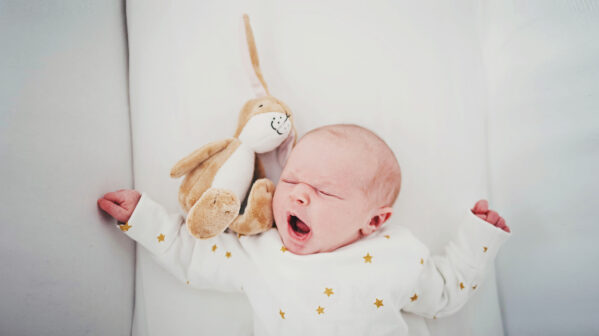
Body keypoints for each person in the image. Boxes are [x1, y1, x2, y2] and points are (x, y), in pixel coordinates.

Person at [97, 124, 511, 335]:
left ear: (374, 221)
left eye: (324, 192)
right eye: (292, 181)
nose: (298, 197)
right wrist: (145, 219)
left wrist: (478, 239)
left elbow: (444, 292)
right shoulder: (260, 251)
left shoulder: (398, 255)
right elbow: (192, 255)